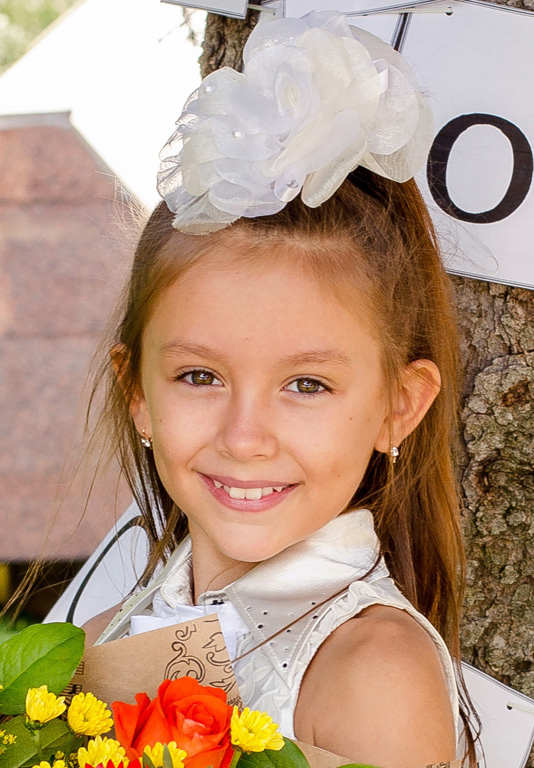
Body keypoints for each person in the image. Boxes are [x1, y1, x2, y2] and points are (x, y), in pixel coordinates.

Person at [83, 10, 475, 767]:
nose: (244, 437)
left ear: (398, 407)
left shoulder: (371, 675)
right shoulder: (102, 644)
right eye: (200, 376)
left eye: (306, 384)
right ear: (138, 395)